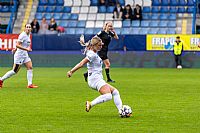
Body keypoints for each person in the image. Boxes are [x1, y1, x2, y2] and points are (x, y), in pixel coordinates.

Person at [67, 36, 123, 115]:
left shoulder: (91, 50)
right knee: (108, 96)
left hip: (97, 78)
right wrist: (71, 71)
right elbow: (81, 63)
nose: (101, 46)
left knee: (115, 92)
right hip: (95, 79)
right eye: (99, 45)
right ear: (94, 46)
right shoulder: (92, 55)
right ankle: (90, 104)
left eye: (101, 45)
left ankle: (121, 111)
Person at [0, 24, 38, 89]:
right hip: (19, 55)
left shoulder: (28, 34)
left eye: (29, 27)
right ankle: (1, 80)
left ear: (31, 28)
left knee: (30, 67)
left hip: (24, 54)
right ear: (25, 28)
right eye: (27, 27)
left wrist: (16, 49)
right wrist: (25, 49)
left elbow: (20, 45)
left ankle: (30, 84)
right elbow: (17, 44)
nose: (28, 28)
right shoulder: (23, 35)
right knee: (14, 71)